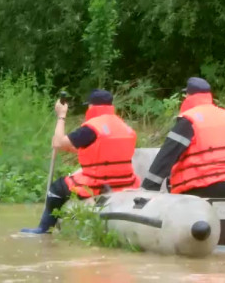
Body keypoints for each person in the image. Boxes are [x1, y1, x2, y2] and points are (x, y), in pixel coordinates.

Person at [21, 89, 140, 234]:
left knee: (57, 188)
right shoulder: (125, 127)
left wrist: (61, 116)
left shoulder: (91, 129)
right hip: (126, 182)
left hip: (98, 182)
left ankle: (44, 229)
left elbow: (58, 142)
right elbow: (104, 151)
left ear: (91, 107)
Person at [140, 77, 225, 207]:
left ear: (188, 96)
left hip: (205, 187)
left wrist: (147, 191)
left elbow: (166, 157)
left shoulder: (189, 120)